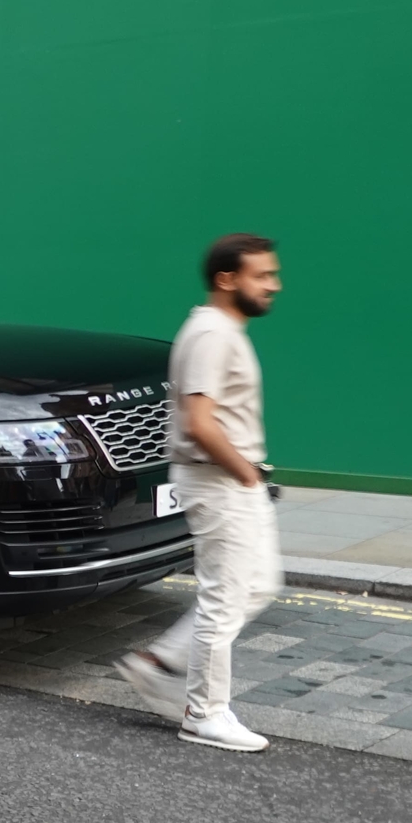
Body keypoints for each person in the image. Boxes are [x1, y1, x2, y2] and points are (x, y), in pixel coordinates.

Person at [116, 233, 285, 752]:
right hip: (220, 480)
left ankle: (159, 662)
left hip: (228, 478)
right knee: (225, 596)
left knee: (257, 585)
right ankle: (204, 713)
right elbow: (199, 424)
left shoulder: (222, 329)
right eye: (262, 275)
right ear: (226, 279)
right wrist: (246, 471)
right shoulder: (213, 333)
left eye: (274, 275)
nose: (273, 286)